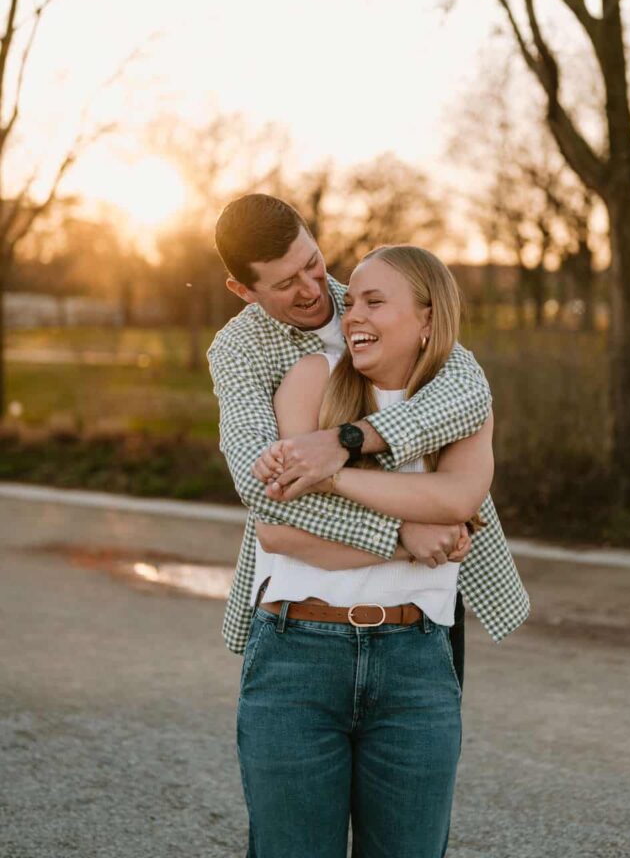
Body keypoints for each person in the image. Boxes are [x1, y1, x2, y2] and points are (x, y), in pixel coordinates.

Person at [236, 244, 496, 857]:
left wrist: (331, 472)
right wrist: (408, 535)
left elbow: (458, 497)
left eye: (375, 302)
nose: (352, 315)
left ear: (428, 318)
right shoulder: (311, 379)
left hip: (417, 667)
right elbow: (278, 529)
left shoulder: (461, 398)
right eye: (351, 301)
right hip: (296, 657)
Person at [208, 195, 529, 685]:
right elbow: (259, 483)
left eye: (312, 263)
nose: (312, 288)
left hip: (430, 585)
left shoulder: (376, 297)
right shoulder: (239, 351)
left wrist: (348, 440)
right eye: (285, 283)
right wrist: (401, 534)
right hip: (314, 587)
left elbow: (467, 392)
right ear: (243, 289)